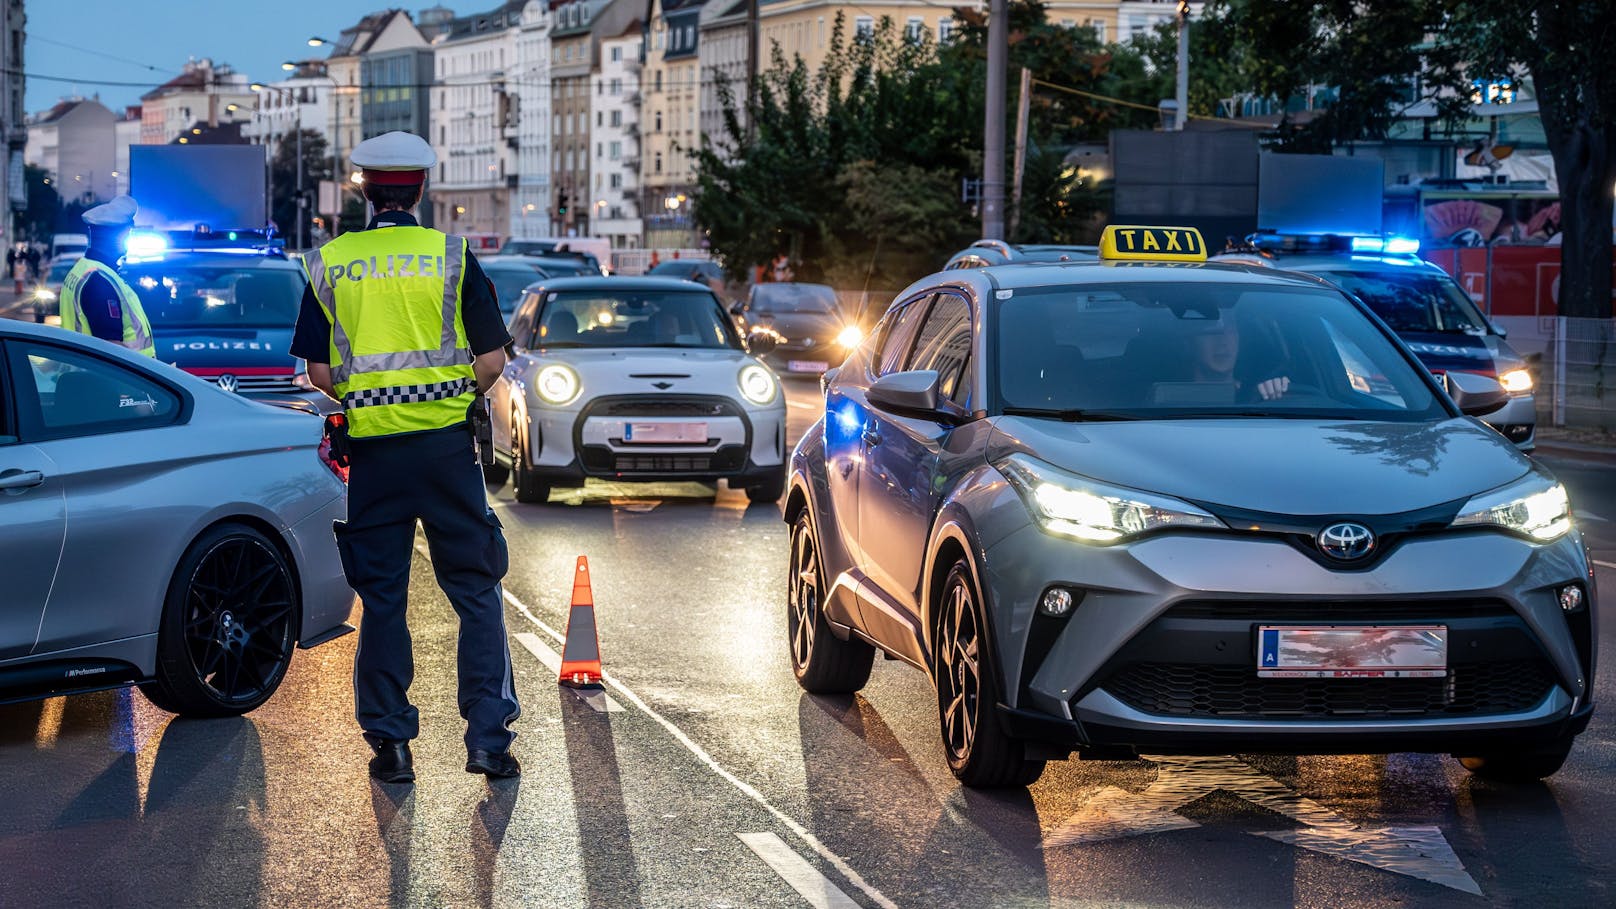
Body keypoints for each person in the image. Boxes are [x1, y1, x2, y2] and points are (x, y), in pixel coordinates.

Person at [290, 131, 522, 784]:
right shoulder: (450, 256)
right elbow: (493, 359)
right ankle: (487, 740)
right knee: (476, 592)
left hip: (374, 461)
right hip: (447, 455)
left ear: (363, 190)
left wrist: (371, 400)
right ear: (421, 188)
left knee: (384, 601)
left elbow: (317, 370)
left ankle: (391, 743)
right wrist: (450, 396)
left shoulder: (330, 261)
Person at [58, 195, 156, 356]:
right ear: (112, 238)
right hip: (114, 379)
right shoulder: (99, 281)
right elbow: (110, 348)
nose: (129, 238)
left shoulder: (84, 269)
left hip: (84, 371)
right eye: (127, 232)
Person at [1188, 317, 1289, 401]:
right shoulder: (1174, 399)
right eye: (1211, 331)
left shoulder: (1258, 396)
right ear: (1191, 342)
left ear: (1238, 339)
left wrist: (1279, 390)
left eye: (1230, 330)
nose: (1222, 341)